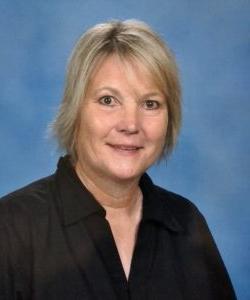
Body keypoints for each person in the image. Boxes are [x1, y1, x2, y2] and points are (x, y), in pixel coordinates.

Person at [0, 20, 236, 300]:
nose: (130, 124)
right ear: (75, 111)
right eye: (108, 100)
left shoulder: (188, 225)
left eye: (150, 104)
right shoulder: (12, 227)